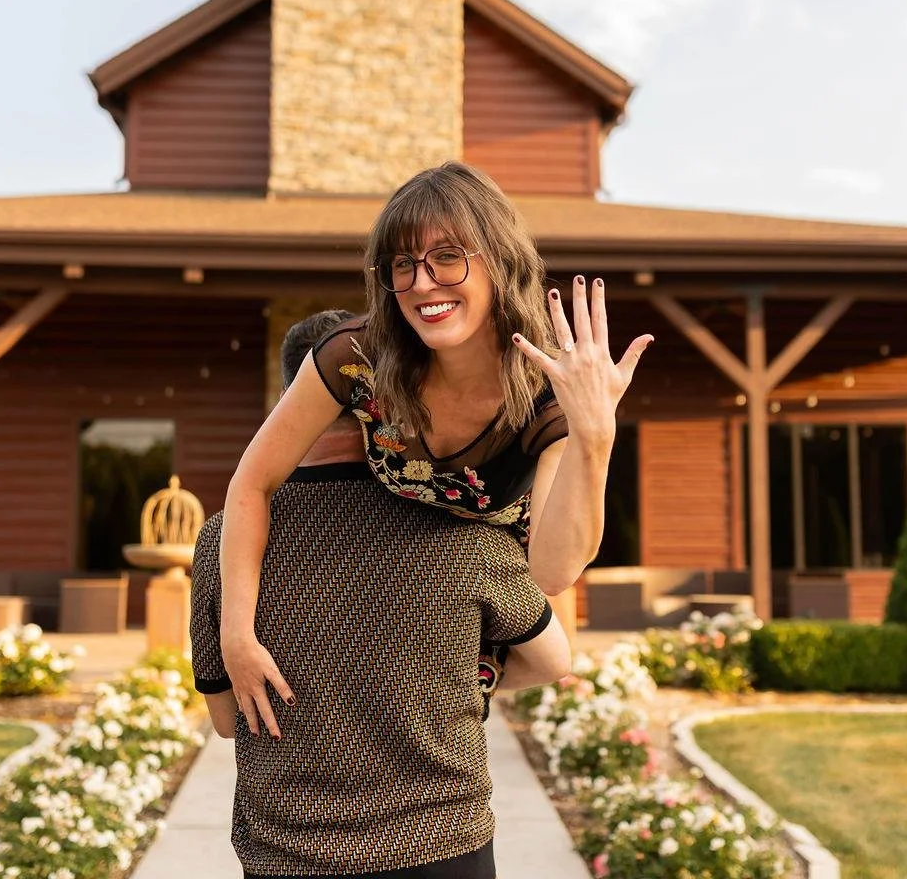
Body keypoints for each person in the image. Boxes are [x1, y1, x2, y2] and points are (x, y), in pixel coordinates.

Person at [220, 161, 654, 740]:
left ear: (498, 260)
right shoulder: (356, 355)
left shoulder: (547, 391)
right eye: (403, 264)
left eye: (448, 256)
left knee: (554, 658)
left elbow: (550, 573)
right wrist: (237, 634)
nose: (423, 283)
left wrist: (595, 434)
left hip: (490, 593)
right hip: (392, 563)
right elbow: (252, 482)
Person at [192, 309, 571, 879]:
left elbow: (226, 718)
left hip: (287, 852)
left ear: (287, 401)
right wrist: (453, 680)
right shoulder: (462, 529)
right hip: (442, 844)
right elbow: (553, 660)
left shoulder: (224, 540)